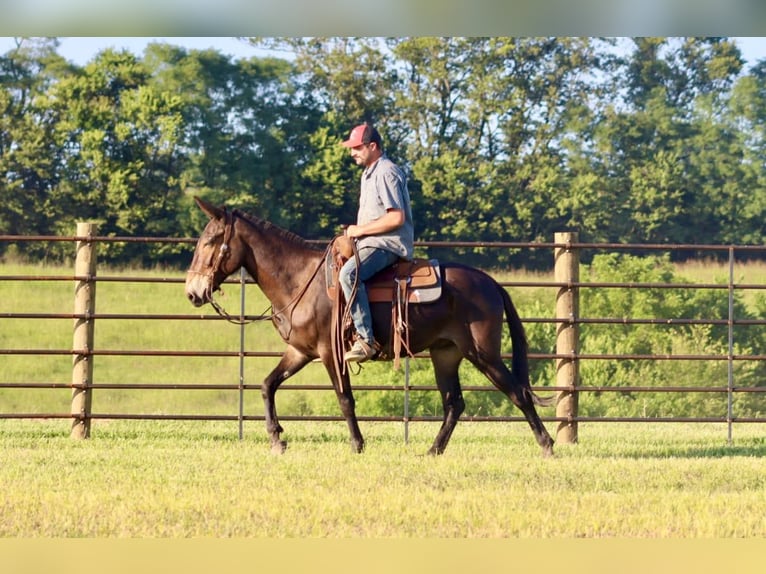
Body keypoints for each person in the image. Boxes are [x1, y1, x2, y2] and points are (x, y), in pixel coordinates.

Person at [339, 123, 415, 362]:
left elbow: (396, 217)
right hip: (372, 244)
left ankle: (366, 340)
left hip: (387, 245)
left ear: (373, 146)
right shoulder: (370, 173)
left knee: (349, 275)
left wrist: (359, 230)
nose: (353, 152)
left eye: (357, 147)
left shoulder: (386, 172)